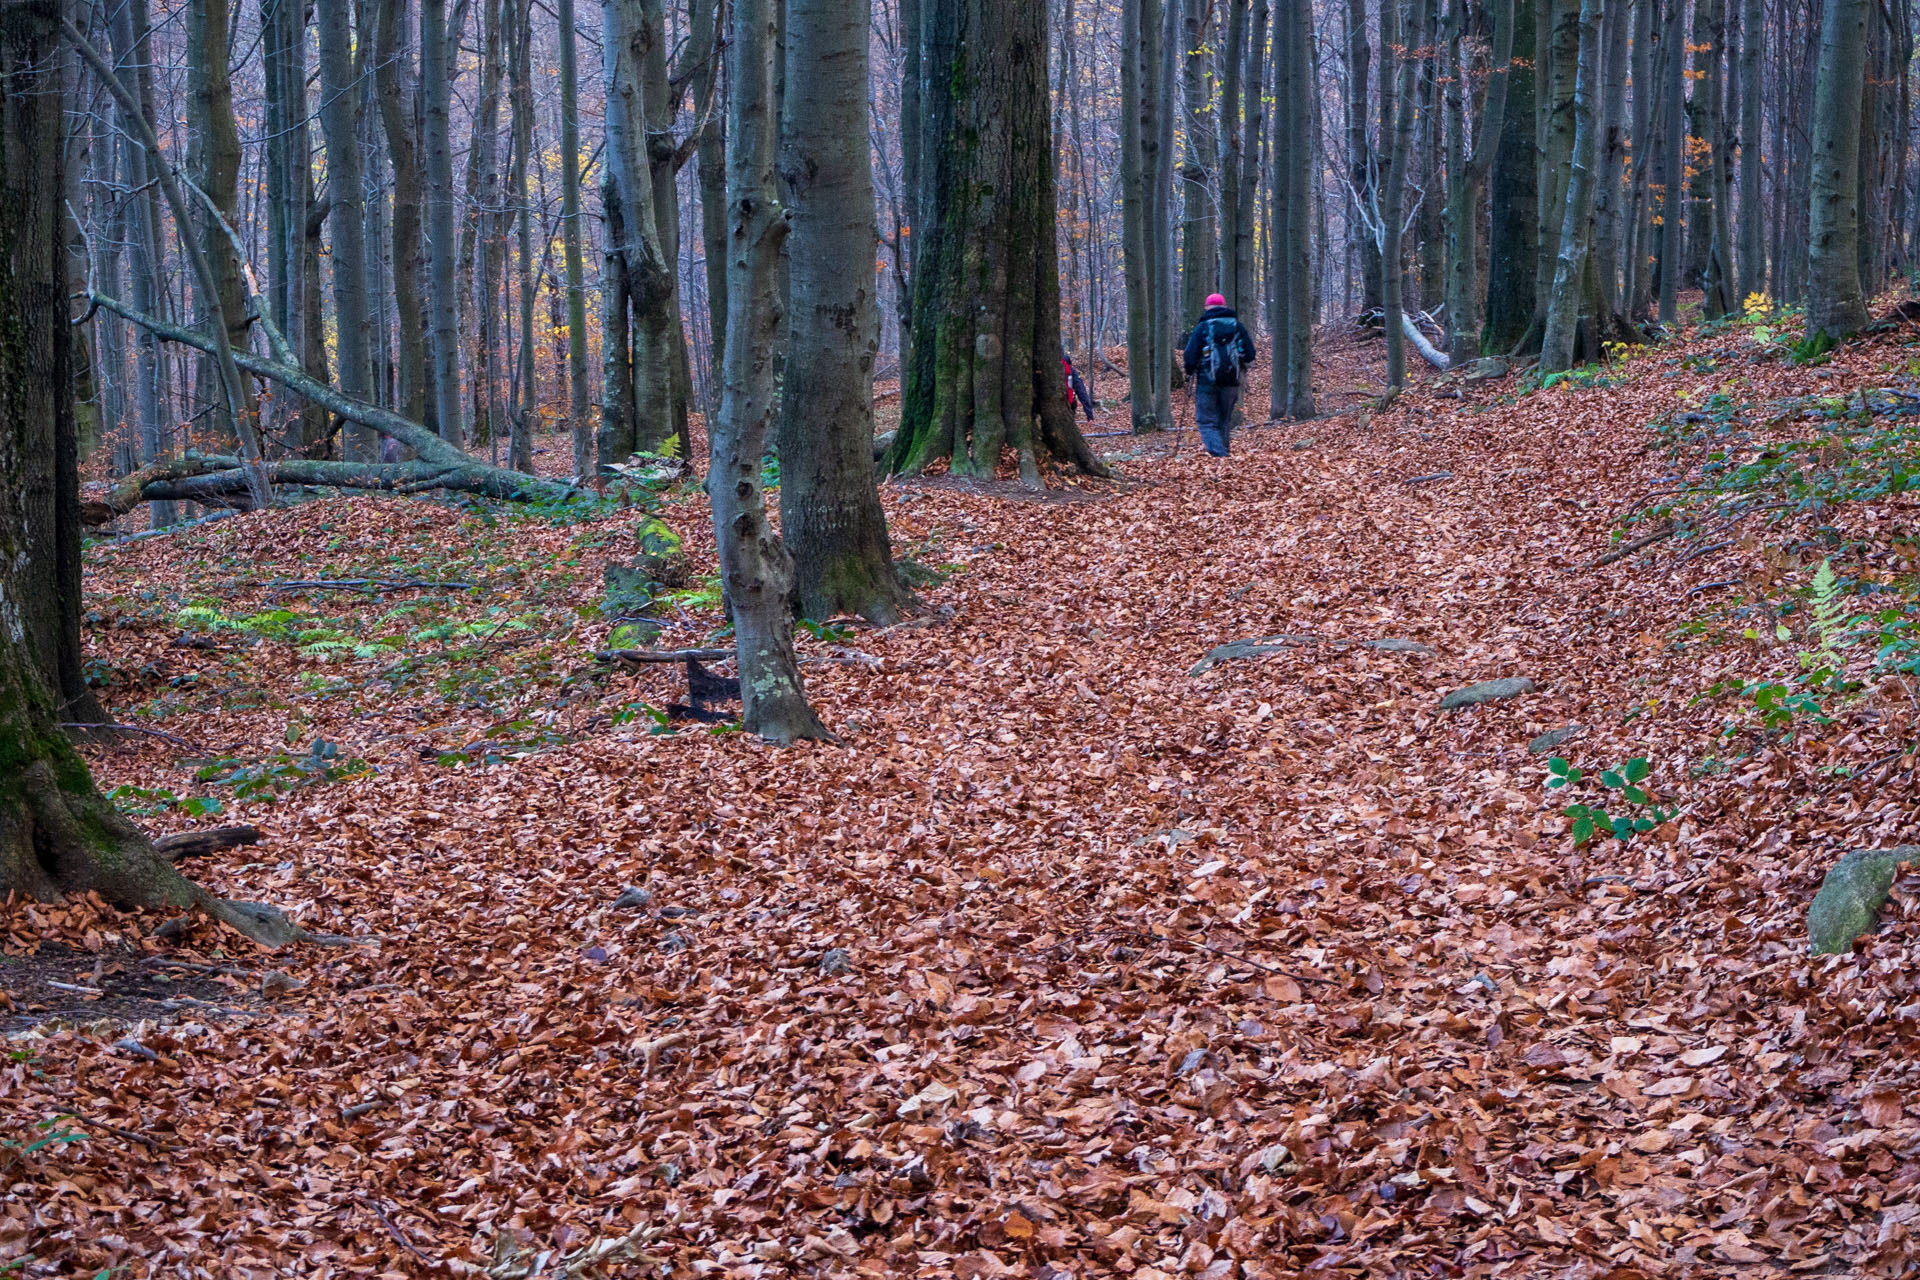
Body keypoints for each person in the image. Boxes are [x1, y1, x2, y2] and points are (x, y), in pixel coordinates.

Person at [1181, 293, 1258, 457]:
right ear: (1224, 306)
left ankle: (1219, 455)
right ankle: (1224, 456)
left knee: (1206, 420)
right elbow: (1250, 354)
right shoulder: (1237, 326)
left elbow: (1190, 355)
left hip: (1206, 381)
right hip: (1232, 381)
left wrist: (1189, 371)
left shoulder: (1202, 327)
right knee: (1225, 419)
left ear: (1207, 307)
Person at [1063, 350, 1096, 421]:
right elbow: (1082, 392)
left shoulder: (1069, 369)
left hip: (1067, 403)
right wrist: (1090, 416)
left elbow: (1081, 391)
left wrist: (1090, 416)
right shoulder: (1069, 368)